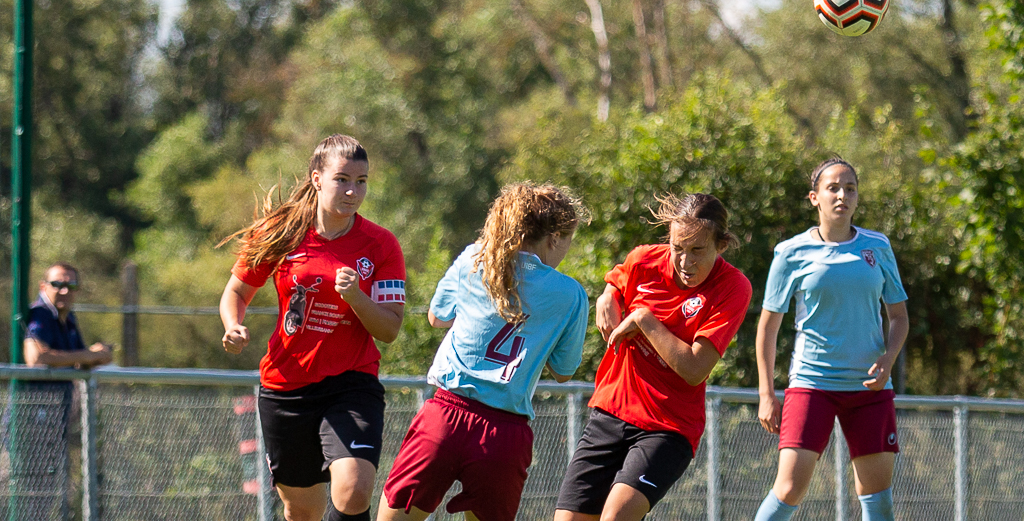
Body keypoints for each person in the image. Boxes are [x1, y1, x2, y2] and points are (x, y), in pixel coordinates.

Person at [219, 134, 406, 521]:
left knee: (354, 490)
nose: (353, 191)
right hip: (286, 388)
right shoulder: (281, 232)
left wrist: (356, 297)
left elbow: (389, 329)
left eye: (362, 181)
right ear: (317, 179)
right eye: (342, 179)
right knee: (302, 510)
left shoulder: (381, 244)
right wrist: (233, 325)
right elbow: (236, 291)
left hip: (351, 384)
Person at [377, 183, 590, 521]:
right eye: (568, 240)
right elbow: (563, 372)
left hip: (444, 417)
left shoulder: (474, 259)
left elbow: (437, 317)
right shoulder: (570, 293)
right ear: (554, 238)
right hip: (504, 435)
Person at [554, 193, 752, 521]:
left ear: (721, 245)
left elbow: (694, 369)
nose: (685, 262)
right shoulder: (643, 260)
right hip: (610, 411)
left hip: (668, 428)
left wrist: (644, 319)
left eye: (697, 250)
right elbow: (615, 283)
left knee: (616, 516)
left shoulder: (733, 287)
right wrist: (607, 296)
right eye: (677, 248)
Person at [753, 157, 909, 521]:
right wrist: (766, 394)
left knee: (877, 499)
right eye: (833, 188)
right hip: (812, 384)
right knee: (789, 489)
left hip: (869, 390)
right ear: (814, 197)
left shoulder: (877, 246)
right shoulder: (790, 252)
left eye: (850, 188)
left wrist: (888, 359)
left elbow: (899, 317)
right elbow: (768, 327)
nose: (842, 195)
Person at [10, 263, 113, 520]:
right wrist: (89, 355)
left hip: (54, 421)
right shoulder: (41, 314)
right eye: (58, 284)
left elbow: (76, 360)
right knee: (16, 488)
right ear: (43, 286)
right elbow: (37, 358)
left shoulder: (68, 318)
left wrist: (97, 355)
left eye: (71, 285)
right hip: (30, 422)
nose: (65, 290)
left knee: (43, 495)